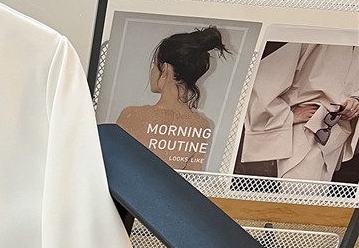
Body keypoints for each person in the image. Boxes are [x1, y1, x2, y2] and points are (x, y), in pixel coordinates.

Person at [116, 26, 230, 171]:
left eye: (154, 65)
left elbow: (114, 168)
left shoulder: (131, 116)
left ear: (165, 69)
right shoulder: (200, 126)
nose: (152, 71)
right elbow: (191, 177)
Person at [242, 42, 359, 182]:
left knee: (314, 192)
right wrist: (287, 116)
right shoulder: (317, 38)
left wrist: (356, 100)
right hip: (307, 128)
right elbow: (263, 82)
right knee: (299, 190)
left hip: (336, 134)